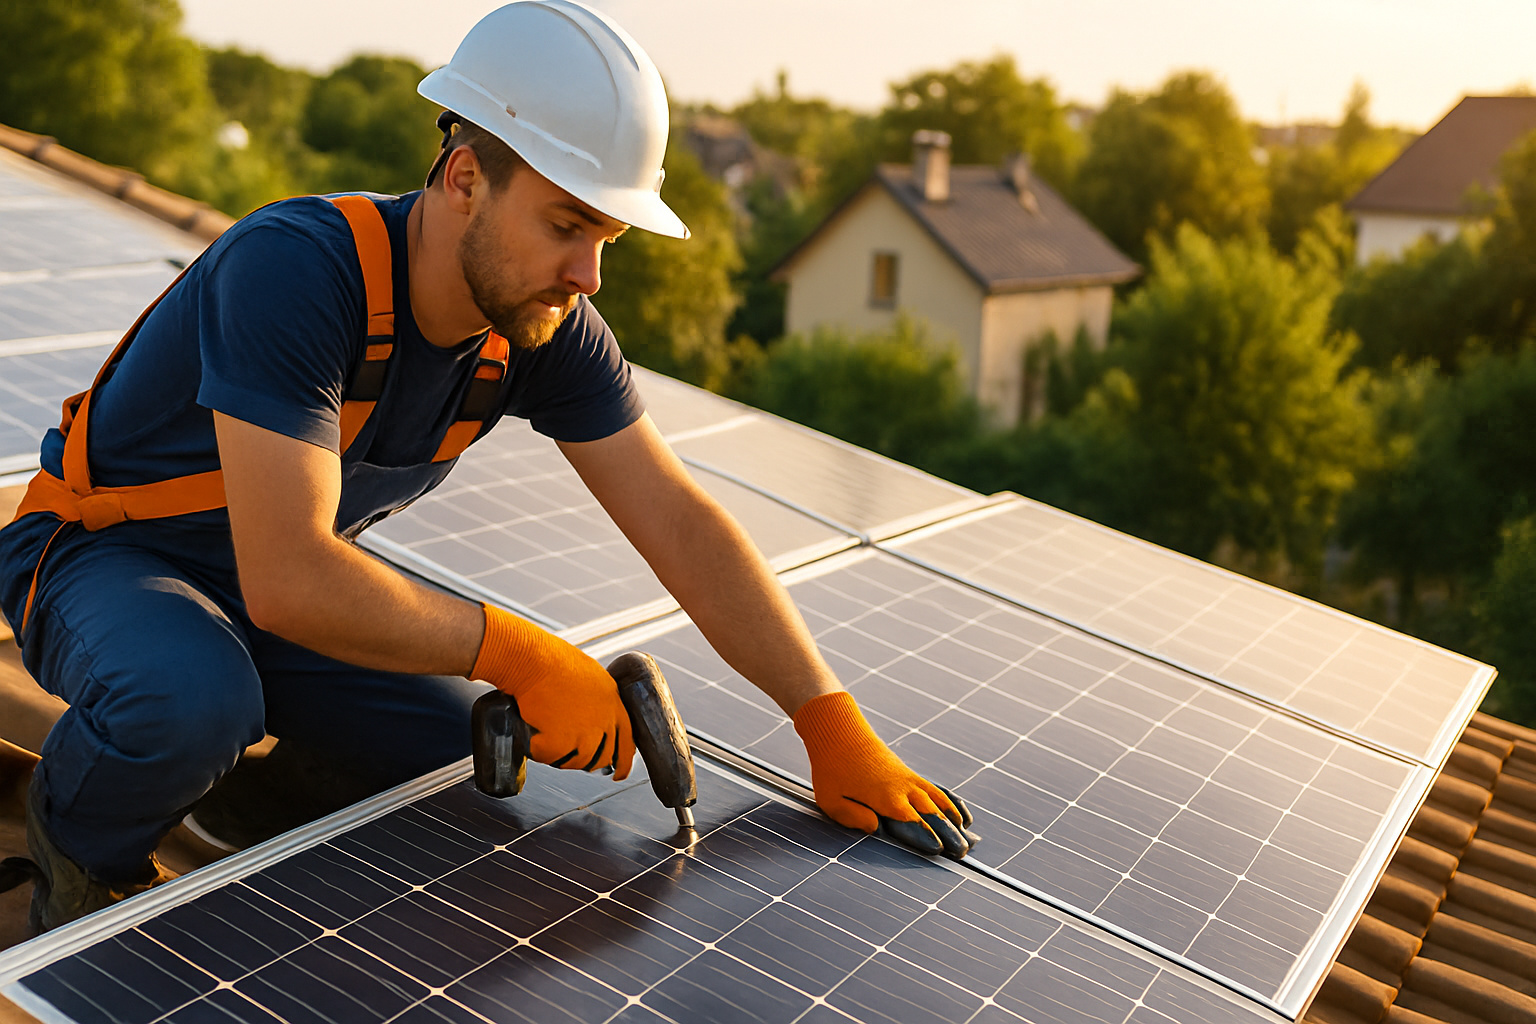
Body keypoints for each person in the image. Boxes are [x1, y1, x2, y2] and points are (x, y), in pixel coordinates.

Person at [0, 0, 975, 933]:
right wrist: (521, 652)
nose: (589, 274)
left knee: (447, 746)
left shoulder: (544, 328)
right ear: (465, 175)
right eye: (565, 225)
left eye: (606, 237)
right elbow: (292, 574)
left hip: (259, 597)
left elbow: (675, 516)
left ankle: (239, 804)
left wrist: (825, 716)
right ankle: (82, 848)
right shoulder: (297, 270)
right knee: (191, 699)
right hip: (103, 562)